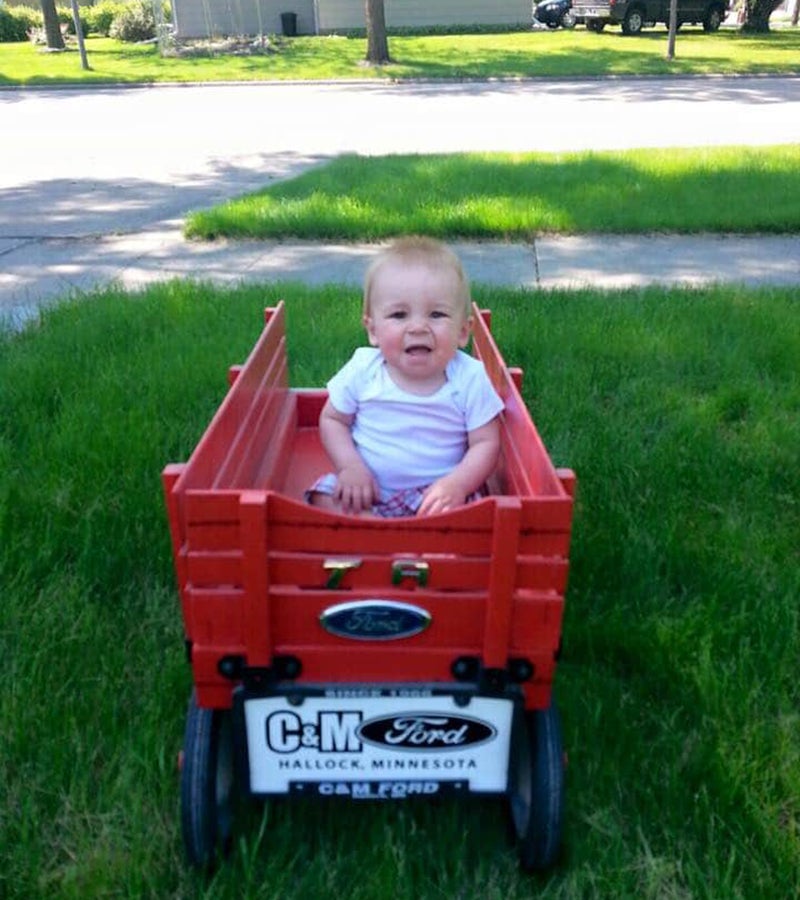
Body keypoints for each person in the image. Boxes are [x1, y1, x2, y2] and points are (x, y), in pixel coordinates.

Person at [307, 236, 504, 518]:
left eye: (437, 314)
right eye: (399, 315)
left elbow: (486, 443)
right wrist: (350, 467)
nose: (418, 327)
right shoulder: (364, 369)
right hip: (370, 489)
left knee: (475, 512)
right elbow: (333, 420)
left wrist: (457, 485)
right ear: (372, 330)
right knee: (323, 494)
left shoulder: (469, 377)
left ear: (463, 331)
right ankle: (374, 526)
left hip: (436, 496)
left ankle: (388, 537)